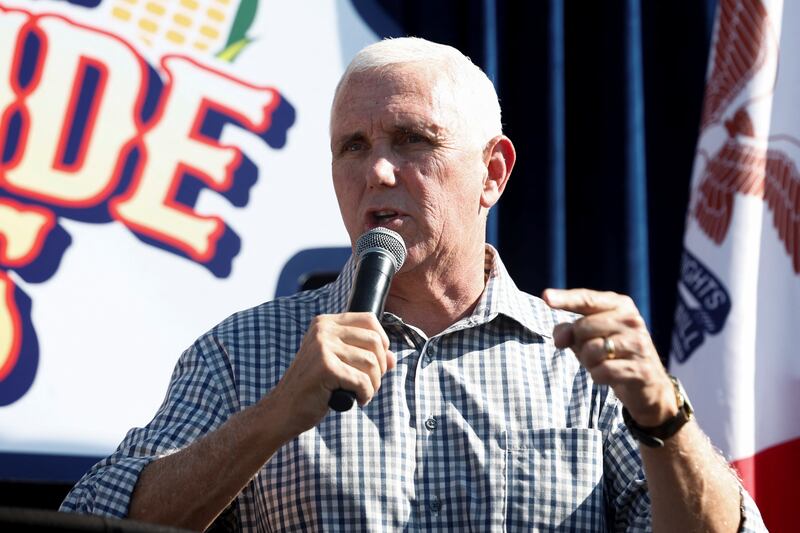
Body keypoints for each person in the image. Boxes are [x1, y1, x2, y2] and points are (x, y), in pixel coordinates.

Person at [61, 37, 766, 532]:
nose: (379, 172)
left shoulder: (583, 365)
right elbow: (92, 519)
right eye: (354, 147)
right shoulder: (245, 353)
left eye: (412, 140)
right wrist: (277, 413)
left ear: (492, 172)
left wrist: (664, 419)